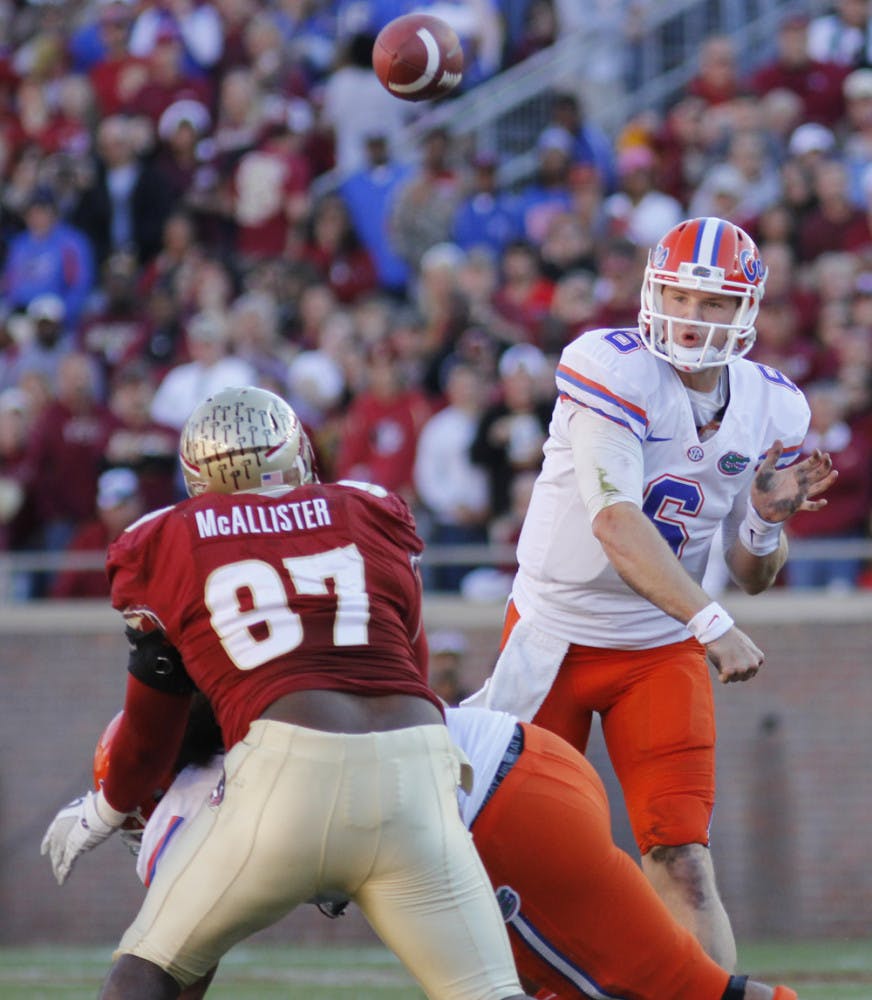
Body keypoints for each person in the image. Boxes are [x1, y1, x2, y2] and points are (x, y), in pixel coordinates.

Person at [40, 385, 528, 1000]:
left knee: (147, 971)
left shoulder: (165, 538)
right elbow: (411, 660)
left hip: (290, 773)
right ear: (296, 453)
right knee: (488, 993)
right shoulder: (367, 507)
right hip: (421, 773)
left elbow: (151, 732)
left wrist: (104, 809)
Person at [464, 216, 837, 970]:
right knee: (506, 853)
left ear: (747, 312)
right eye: (677, 296)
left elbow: (752, 572)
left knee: (682, 860)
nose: (690, 319)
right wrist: (712, 622)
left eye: (712, 303)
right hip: (555, 638)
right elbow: (615, 522)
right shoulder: (611, 367)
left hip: (656, 648)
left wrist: (763, 525)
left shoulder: (775, 406)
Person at [96, 701, 799, 1000]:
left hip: (496, 819)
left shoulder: (189, 801)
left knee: (687, 994)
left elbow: (167, 970)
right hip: (511, 762)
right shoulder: (261, 705)